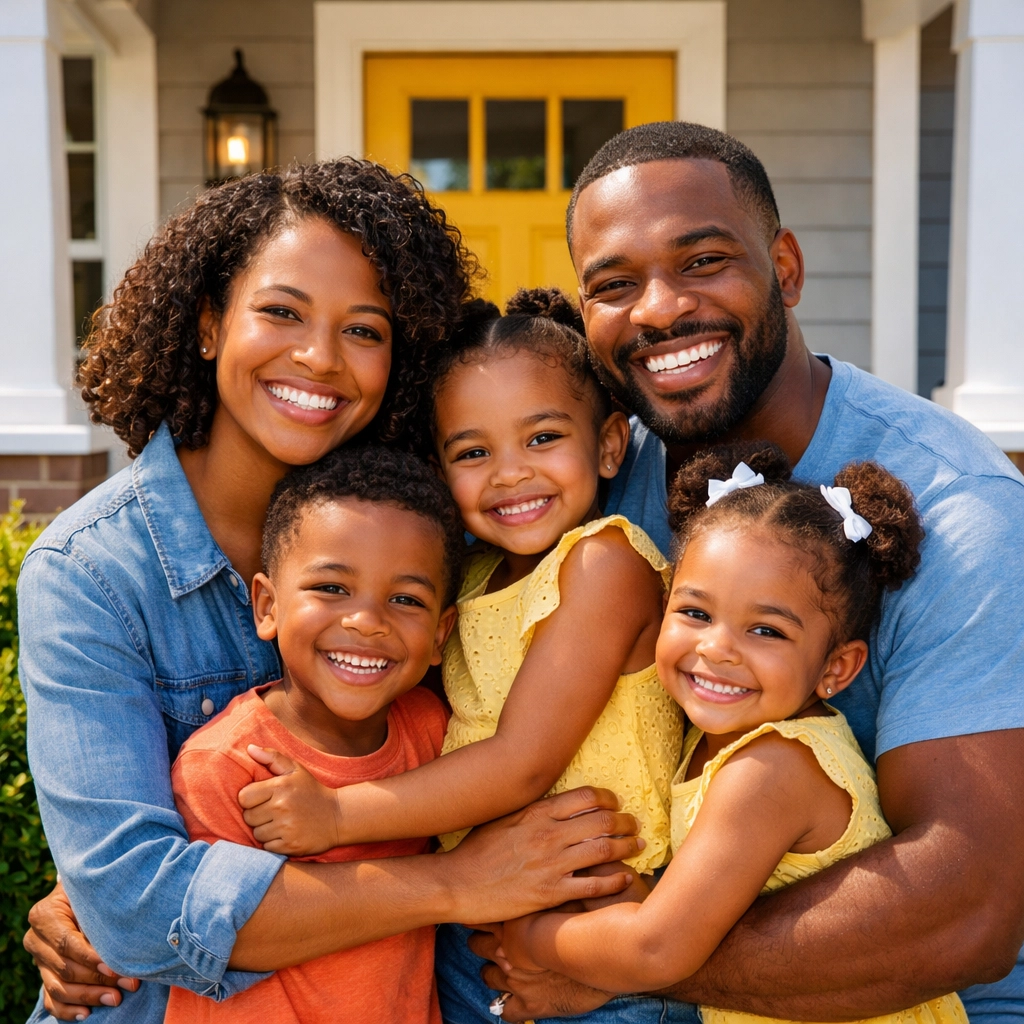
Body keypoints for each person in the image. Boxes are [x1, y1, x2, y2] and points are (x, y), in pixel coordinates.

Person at [19, 161, 644, 1024]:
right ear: (208, 324)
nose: (319, 357)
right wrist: (455, 884)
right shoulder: (92, 573)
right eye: (281, 312)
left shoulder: (444, 532)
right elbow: (137, 909)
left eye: (365, 329)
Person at [472, 122, 1024, 1023]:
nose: (658, 309)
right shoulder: (587, 473)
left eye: (702, 261)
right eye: (614, 285)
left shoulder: (959, 511)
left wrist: (625, 957)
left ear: (788, 269)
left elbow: (970, 909)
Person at [236, 288, 686, 1024]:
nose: (509, 473)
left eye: (542, 438)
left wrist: (336, 817)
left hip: (599, 935)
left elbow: (521, 764)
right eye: (473, 452)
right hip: (471, 942)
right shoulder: (467, 581)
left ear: (608, 445)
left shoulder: (604, 566)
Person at [497, 440, 967, 1024]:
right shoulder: (718, 736)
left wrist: (531, 937)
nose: (716, 649)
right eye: (695, 613)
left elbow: (655, 947)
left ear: (836, 668)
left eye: (766, 631)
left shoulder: (770, 767)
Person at [167, 446, 463, 1024]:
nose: (367, 620)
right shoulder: (227, 765)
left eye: (405, 599)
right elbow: (213, 940)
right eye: (331, 588)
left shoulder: (434, 734)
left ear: (439, 634)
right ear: (267, 605)